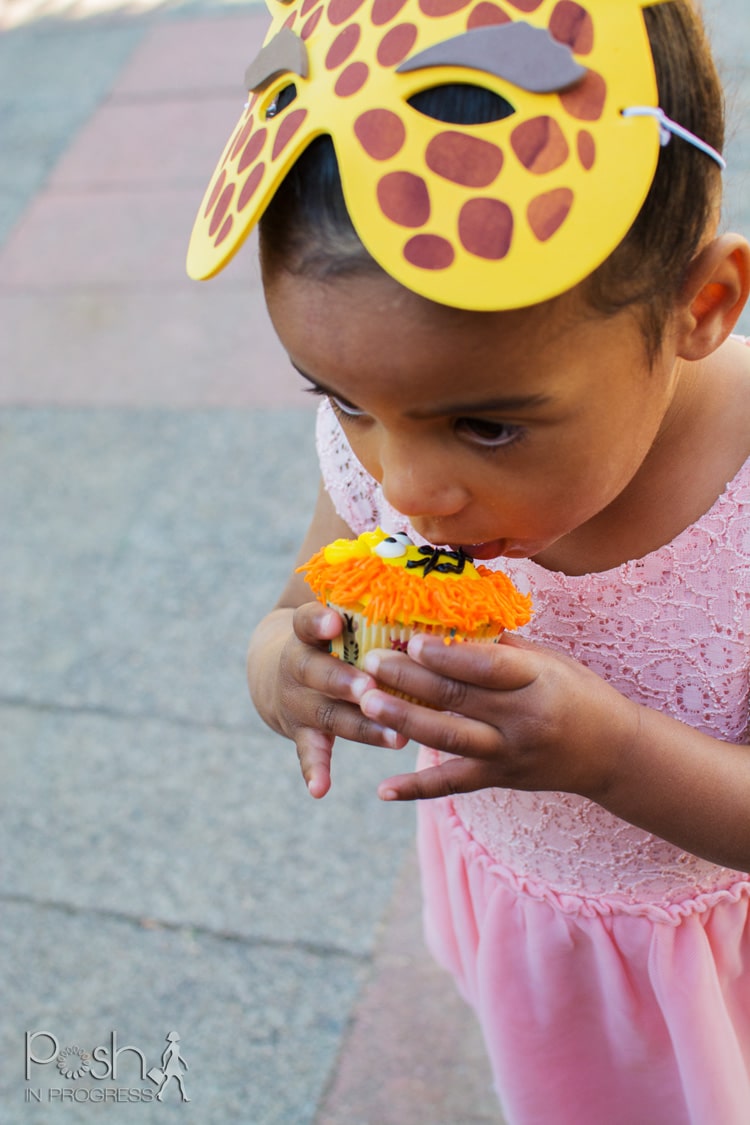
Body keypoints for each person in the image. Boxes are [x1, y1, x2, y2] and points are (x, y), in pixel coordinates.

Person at [189, 0, 750, 1119]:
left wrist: (610, 752)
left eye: (488, 427)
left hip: (712, 954)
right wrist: (287, 666)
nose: (404, 489)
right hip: (535, 924)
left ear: (703, 305)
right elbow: (316, 601)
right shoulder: (404, 440)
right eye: (343, 403)